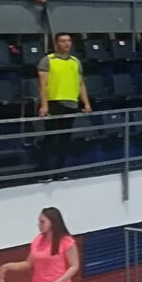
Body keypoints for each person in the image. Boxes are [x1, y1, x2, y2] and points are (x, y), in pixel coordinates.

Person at [37, 33, 91, 175]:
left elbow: (81, 84)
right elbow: (43, 85)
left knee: (65, 139)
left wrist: (86, 103)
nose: (66, 44)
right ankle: (43, 171)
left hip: (71, 103)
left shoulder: (75, 61)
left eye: (68, 41)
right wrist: (44, 105)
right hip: (53, 102)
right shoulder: (47, 60)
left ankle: (60, 170)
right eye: (63, 41)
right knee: (50, 138)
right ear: (56, 44)